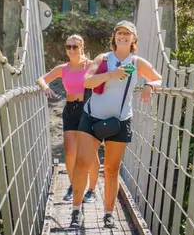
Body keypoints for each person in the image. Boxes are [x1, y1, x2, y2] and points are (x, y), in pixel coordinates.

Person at [69, 21, 162, 228]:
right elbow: (87, 82)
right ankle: (76, 211)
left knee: (112, 169)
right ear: (114, 36)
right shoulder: (103, 59)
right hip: (92, 117)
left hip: (120, 121)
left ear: (133, 38)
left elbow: (159, 79)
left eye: (127, 34)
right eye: (120, 32)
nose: (123, 36)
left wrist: (148, 84)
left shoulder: (137, 62)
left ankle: (108, 214)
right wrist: (111, 74)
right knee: (82, 163)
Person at [37, 34, 100, 203]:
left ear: (82, 47)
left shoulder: (91, 65)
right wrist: (45, 88)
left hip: (88, 110)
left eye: (75, 47)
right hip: (70, 110)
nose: (71, 50)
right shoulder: (62, 68)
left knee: (90, 153)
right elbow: (42, 79)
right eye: (68, 46)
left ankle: (92, 190)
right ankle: (75, 186)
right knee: (70, 152)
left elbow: (106, 79)